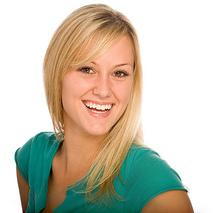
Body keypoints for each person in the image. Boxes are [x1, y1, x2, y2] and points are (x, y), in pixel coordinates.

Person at [14, 3, 193, 213]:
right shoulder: (31, 158)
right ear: (57, 73)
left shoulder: (152, 181)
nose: (103, 90)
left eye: (119, 73)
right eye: (87, 69)